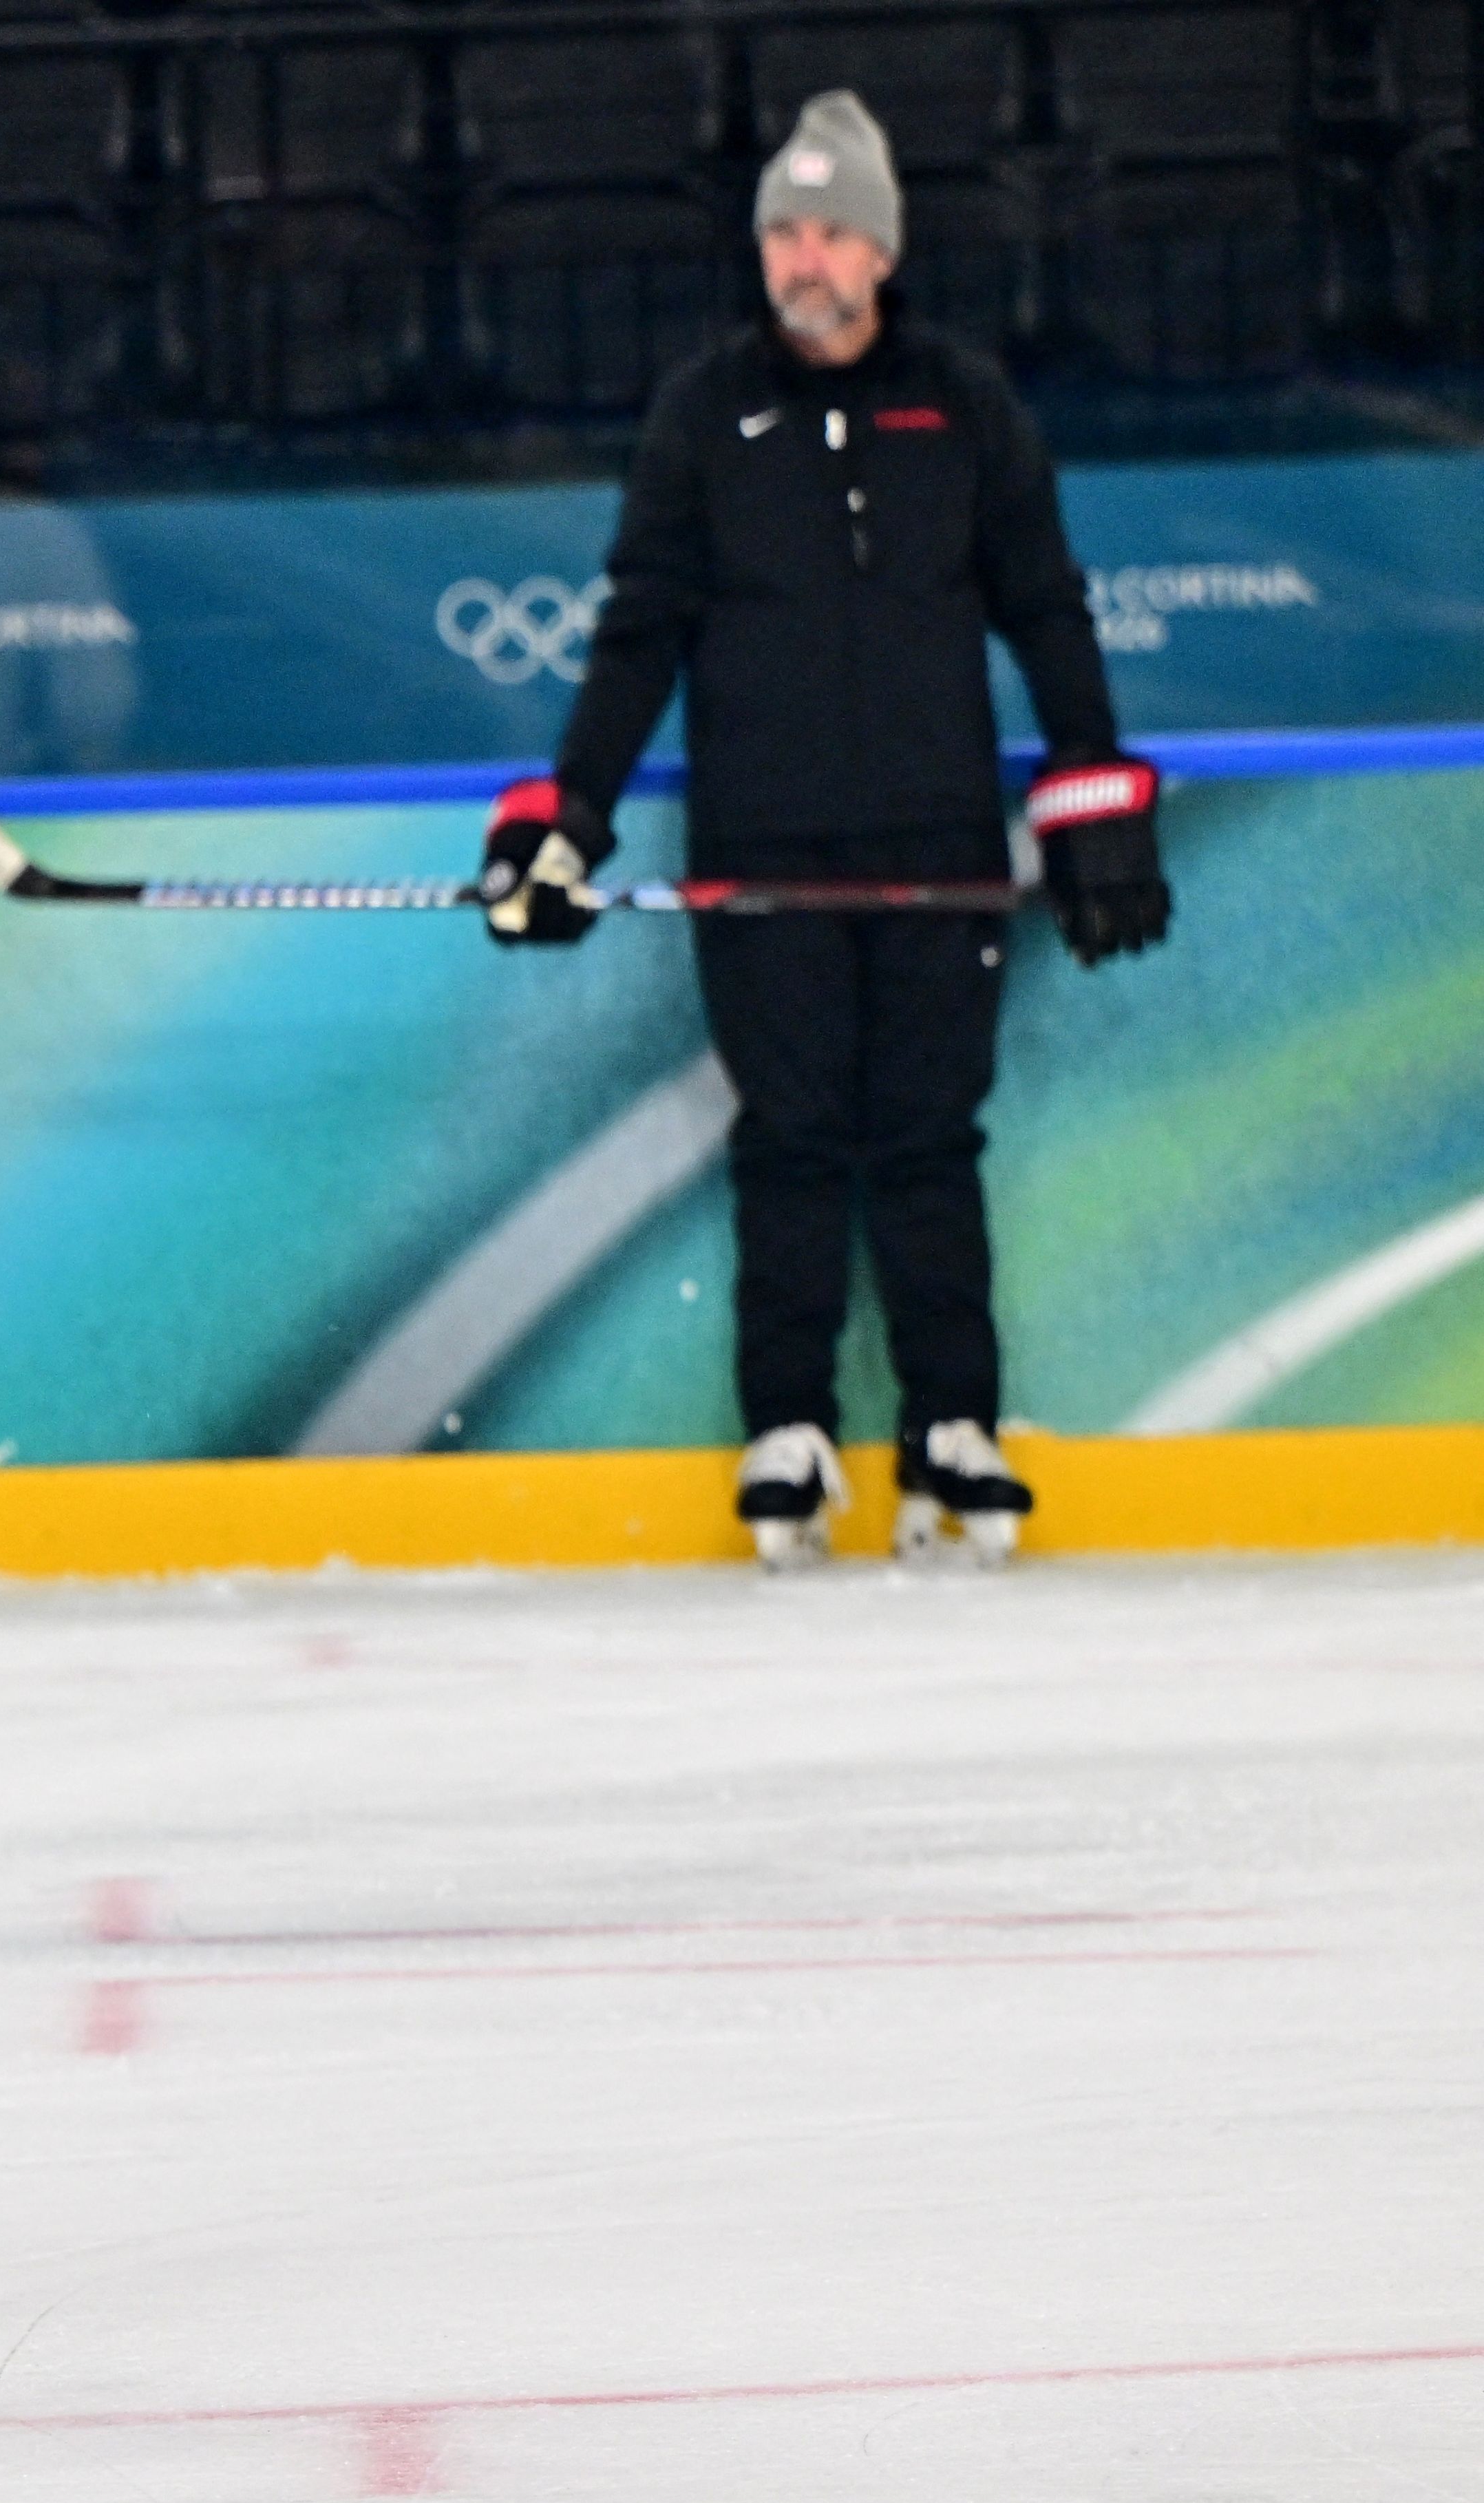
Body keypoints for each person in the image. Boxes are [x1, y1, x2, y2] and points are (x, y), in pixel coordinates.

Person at [476, 88, 1171, 1570]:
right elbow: (637, 635)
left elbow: (1047, 606)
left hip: (939, 850)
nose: (806, 256)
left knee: (929, 1139)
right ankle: (784, 1427)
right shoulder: (704, 412)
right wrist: (570, 818)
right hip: (763, 853)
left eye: (834, 232)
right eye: (786, 230)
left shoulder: (966, 406)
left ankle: (952, 1429)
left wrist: (1095, 788)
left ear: (883, 250)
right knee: (788, 1140)